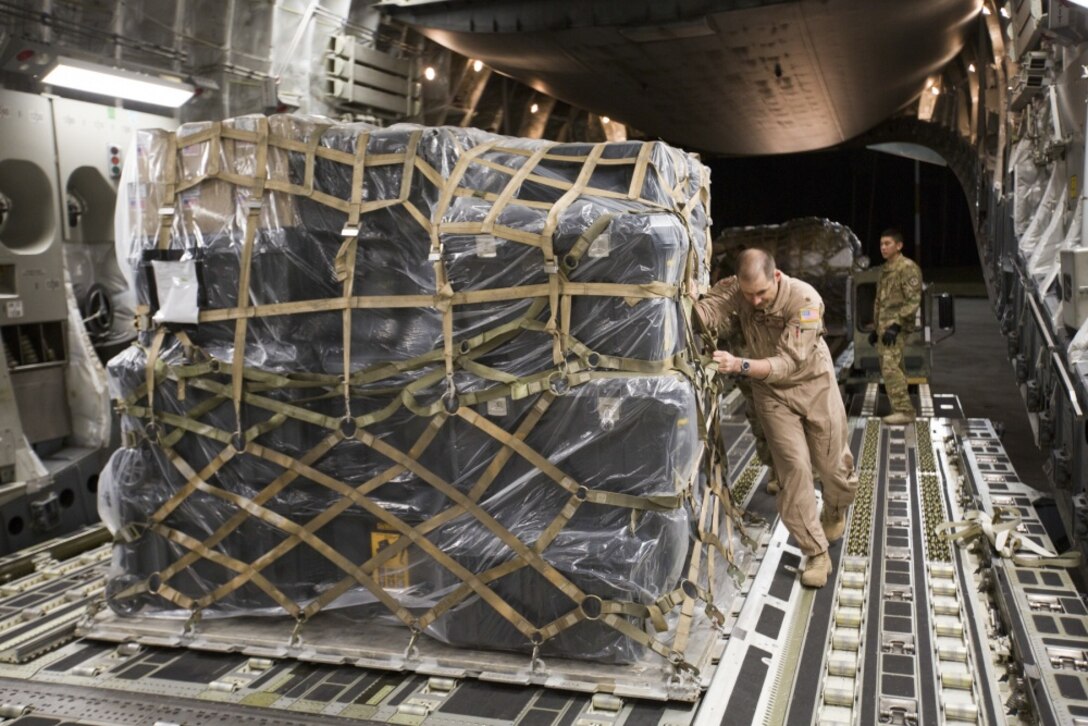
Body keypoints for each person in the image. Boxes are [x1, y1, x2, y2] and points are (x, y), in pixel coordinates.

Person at [695, 249, 857, 588]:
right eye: (747, 293)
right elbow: (707, 313)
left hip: (813, 385)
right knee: (793, 470)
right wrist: (680, 301)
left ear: (777, 277)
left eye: (762, 293)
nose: (754, 301)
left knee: (833, 470)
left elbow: (787, 363)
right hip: (770, 394)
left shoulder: (806, 301)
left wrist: (738, 364)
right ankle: (815, 552)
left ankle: (835, 508)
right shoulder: (736, 290)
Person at [868, 228, 922, 425]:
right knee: (894, 367)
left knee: (891, 368)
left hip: (895, 327)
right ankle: (898, 408)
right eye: (881, 244)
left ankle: (905, 411)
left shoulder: (906, 267)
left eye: (887, 243)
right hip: (884, 326)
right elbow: (880, 301)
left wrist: (897, 325)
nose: (883, 247)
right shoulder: (885, 269)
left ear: (899, 246)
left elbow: (913, 299)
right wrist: (876, 328)